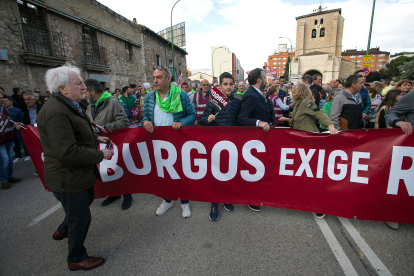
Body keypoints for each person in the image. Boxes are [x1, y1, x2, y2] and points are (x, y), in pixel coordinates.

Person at [37, 64, 112, 271]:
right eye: (78, 83)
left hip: (76, 174)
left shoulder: (68, 105)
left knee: (86, 199)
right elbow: (67, 151)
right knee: (80, 217)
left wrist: (95, 137)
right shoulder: (57, 112)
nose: (83, 87)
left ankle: (62, 229)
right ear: (62, 89)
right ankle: (76, 258)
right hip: (67, 177)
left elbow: (76, 131)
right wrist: (100, 154)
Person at [142, 65, 196, 218]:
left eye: (158, 77)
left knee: (181, 172)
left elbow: (192, 116)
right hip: (158, 142)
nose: (155, 80)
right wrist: (145, 122)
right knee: (163, 173)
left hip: (177, 141)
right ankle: (167, 200)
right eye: (154, 77)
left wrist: (182, 122)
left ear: (168, 78)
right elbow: (145, 117)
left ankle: (184, 202)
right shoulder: (149, 97)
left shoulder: (181, 95)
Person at [280, 83, 338, 219]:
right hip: (301, 144)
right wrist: (288, 119)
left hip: (310, 144)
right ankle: (305, 201)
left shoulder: (306, 102)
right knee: (304, 175)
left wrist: (330, 125)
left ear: (298, 91)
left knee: (313, 177)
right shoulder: (298, 104)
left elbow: (320, 113)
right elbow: (300, 121)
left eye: (294, 90)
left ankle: (320, 205)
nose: (291, 92)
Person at [84, 79, 131, 210]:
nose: (84, 95)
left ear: (92, 91)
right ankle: (113, 194)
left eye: (86, 92)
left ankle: (127, 196)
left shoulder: (113, 102)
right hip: (99, 144)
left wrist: (104, 127)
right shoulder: (90, 106)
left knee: (120, 170)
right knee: (105, 171)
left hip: (114, 143)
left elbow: (123, 122)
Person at [200, 72, 241, 221]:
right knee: (216, 176)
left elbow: (240, 121)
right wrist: (208, 119)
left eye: (231, 84)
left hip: (233, 144)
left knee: (229, 174)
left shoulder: (237, 102)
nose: (228, 87)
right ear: (220, 86)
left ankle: (226, 198)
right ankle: (214, 204)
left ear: (234, 85)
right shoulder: (213, 102)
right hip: (216, 144)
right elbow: (202, 120)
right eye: (225, 84)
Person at [237, 68, 275, 212]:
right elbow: (242, 118)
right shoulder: (251, 95)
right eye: (264, 77)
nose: (266, 79)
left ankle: (257, 196)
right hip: (253, 140)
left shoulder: (257, 93)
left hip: (261, 139)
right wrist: (258, 123)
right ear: (259, 79)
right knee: (254, 170)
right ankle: (251, 199)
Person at [0, 96, 22, 189]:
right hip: (0, 141)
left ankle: (10, 176)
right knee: (4, 160)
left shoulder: (5, 110)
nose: (1, 99)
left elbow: (10, 123)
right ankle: (3, 180)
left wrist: (15, 125)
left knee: (9, 159)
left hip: (9, 138)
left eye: (1, 97)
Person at [4, 96, 29, 163]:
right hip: (10, 131)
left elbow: (23, 119)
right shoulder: (4, 112)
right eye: (4, 101)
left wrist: (20, 124)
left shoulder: (17, 110)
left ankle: (27, 154)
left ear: (11, 102)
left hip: (19, 130)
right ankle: (18, 156)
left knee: (23, 143)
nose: (4, 103)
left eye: (6, 101)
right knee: (14, 144)